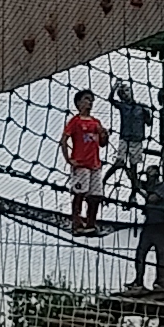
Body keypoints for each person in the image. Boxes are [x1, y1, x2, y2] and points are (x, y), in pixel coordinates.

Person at [63, 88, 110, 234]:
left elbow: (102, 143)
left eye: (91, 100)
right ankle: (76, 223)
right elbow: (64, 140)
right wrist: (69, 160)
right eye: (86, 99)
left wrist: (104, 135)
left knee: (96, 195)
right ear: (78, 103)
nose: (90, 103)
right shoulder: (75, 121)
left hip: (95, 164)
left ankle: (91, 224)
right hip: (81, 164)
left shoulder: (96, 122)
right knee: (80, 192)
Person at [110, 79, 153, 182]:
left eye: (127, 90)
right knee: (119, 162)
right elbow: (111, 100)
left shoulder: (141, 107)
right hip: (125, 139)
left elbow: (149, 123)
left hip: (137, 140)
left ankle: (134, 187)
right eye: (122, 93)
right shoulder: (123, 106)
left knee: (134, 167)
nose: (125, 94)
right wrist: (114, 88)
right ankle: (104, 180)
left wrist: (148, 114)